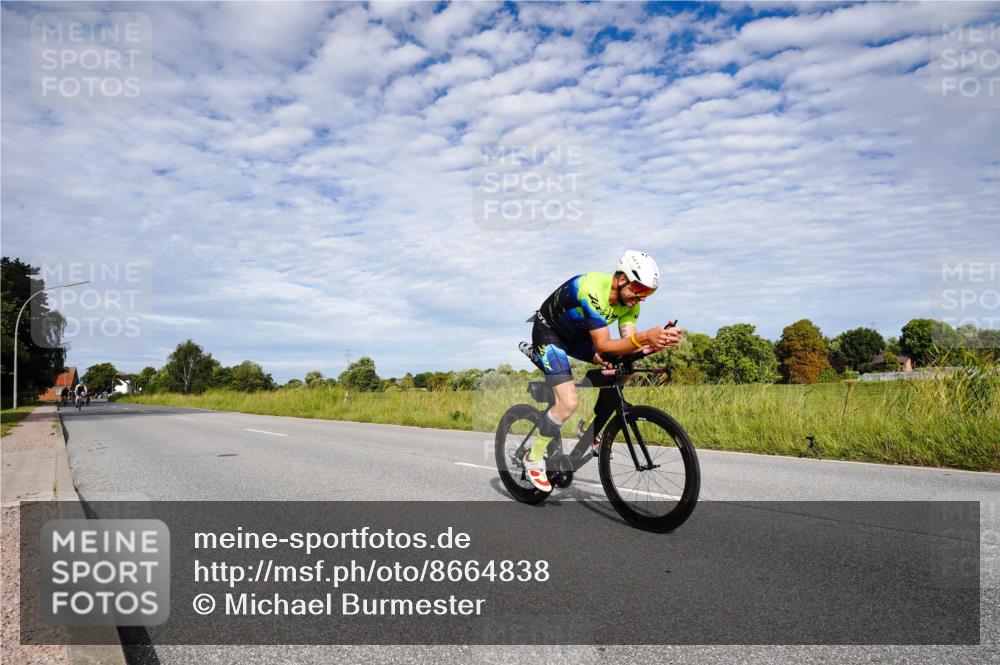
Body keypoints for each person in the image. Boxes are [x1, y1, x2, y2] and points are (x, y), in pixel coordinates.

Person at [522, 251, 683, 492]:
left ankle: (591, 431)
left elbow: (627, 345)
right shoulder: (592, 289)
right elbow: (604, 346)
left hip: (579, 339)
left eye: (648, 293)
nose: (642, 297)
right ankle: (533, 458)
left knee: (623, 369)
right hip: (550, 334)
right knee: (567, 403)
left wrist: (654, 344)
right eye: (639, 289)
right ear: (621, 279)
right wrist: (647, 336)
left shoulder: (631, 305)